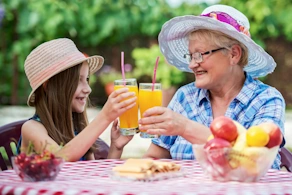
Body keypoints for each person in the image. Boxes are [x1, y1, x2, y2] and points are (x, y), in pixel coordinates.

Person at [139, 4, 286, 169]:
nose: (193, 64)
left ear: (233, 54)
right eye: (191, 56)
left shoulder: (266, 100)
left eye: (200, 55)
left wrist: (185, 127)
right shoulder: (185, 97)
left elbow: (258, 162)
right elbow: (153, 157)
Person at [18, 38, 136, 161]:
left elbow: (92, 176)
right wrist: (105, 116)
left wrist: (116, 148)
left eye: (87, 79)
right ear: (47, 86)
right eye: (78, 80)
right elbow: (60, 159)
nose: (88, 89)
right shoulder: (32, 128)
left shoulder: (78, 128)